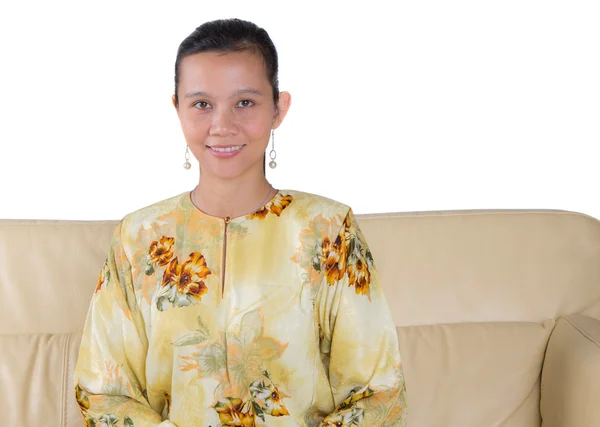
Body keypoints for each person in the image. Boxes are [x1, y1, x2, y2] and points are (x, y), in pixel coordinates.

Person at [74, 18, 407, 427]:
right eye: (201, 104)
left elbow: (378, 392)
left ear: (278, 109)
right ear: (177, 108)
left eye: (244, 102)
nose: (222, 125)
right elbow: (104, 393)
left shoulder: (329, 230)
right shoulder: (138, 238)